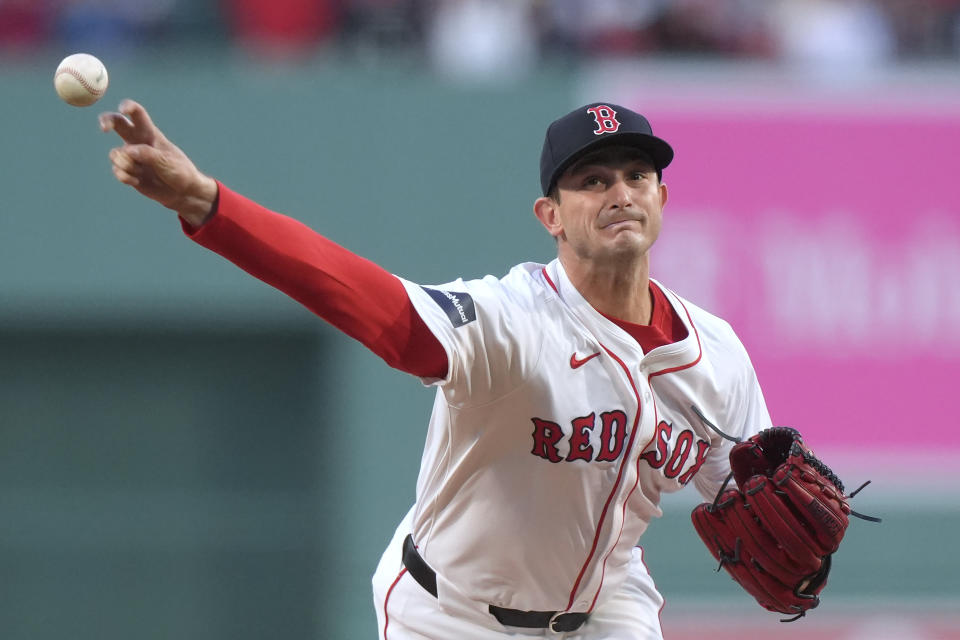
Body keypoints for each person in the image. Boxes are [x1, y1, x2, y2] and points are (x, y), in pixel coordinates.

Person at [100, 99, 773, 639]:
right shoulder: (512, 322)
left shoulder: (716, 353)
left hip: (607, 610)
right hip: (451, 614)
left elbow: (754, 499)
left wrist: (795, 548)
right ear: (552, 218)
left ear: (662, 196)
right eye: (592, 181)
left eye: (636, 175)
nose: (619, 192)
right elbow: (372, 304)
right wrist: (208, 204)